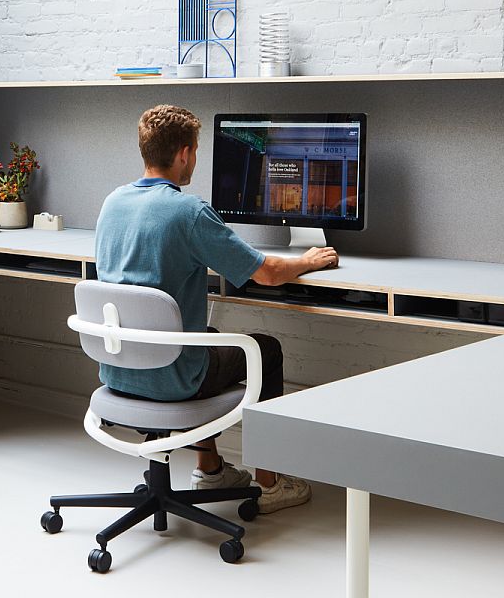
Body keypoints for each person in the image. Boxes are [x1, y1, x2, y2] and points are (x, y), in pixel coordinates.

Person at [93, 103, 339, 513]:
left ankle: (210, 469)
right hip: (172, 380)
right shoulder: (188, 212)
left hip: (117, 369)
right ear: (186, 153)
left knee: (204, 339)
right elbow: (268, 273)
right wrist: (308, 261)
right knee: (266, 349)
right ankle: (270, 482)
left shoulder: (112, 203)